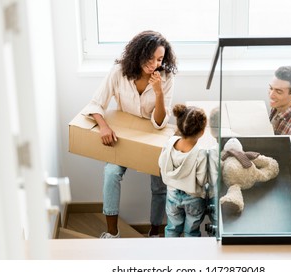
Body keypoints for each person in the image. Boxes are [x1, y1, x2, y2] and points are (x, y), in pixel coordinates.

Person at [81, 30, 178, 238]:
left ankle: (155, 231)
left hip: (152, 137)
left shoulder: (166, 78)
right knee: (111, 173)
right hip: (124, 137)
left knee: (160, 182)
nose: (154, 64)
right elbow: (96, 103)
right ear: (139, 54)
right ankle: (112, 233)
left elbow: (160, 123)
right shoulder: (119, 72)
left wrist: (159, 92)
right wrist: (104, 126)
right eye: (150, 58)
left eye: (159, 59)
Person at [158, 104, 208, 237]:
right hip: (193, 198)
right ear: (202, 132)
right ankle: (189, 256)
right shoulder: (201, 153)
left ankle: (170, 254)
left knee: (172, 228)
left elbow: (161, 164)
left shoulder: (169, 143)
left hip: (172, 195)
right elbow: (202, 179)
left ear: (179, 127)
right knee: (191, 232)